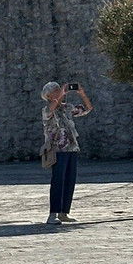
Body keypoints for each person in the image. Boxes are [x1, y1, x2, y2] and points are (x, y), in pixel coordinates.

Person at [41, 81, 92, 225]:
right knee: (58, 180)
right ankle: (53, 214)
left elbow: (88, 108)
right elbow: (50, 111)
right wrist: (61, 95)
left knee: (70, 180)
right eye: (56, 91)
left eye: (60, 89)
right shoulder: (47, 110)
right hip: (57, 149)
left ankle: (64, 212)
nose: (61, 92)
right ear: (50, 96)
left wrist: (81, 92)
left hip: (72, 148)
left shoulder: (67, 108)